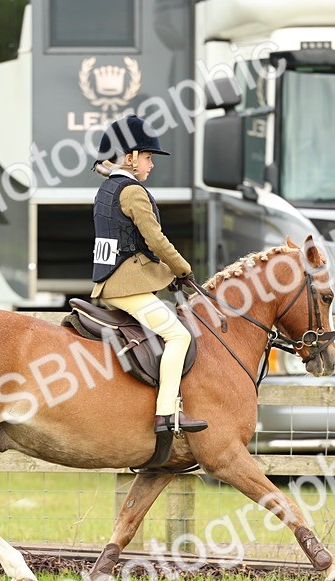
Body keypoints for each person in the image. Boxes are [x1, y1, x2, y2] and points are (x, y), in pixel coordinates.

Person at [91, 115, 207, 434]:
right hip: (125, 286)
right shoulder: (132, 191)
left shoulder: (106, 189)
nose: (151, 165)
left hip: (109, 280)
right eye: (148, 157)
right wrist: (182, 269)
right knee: (178, 335)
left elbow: (132, 245)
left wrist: (164, 276)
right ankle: (167, 414)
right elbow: (155, 239)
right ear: (129, 157)